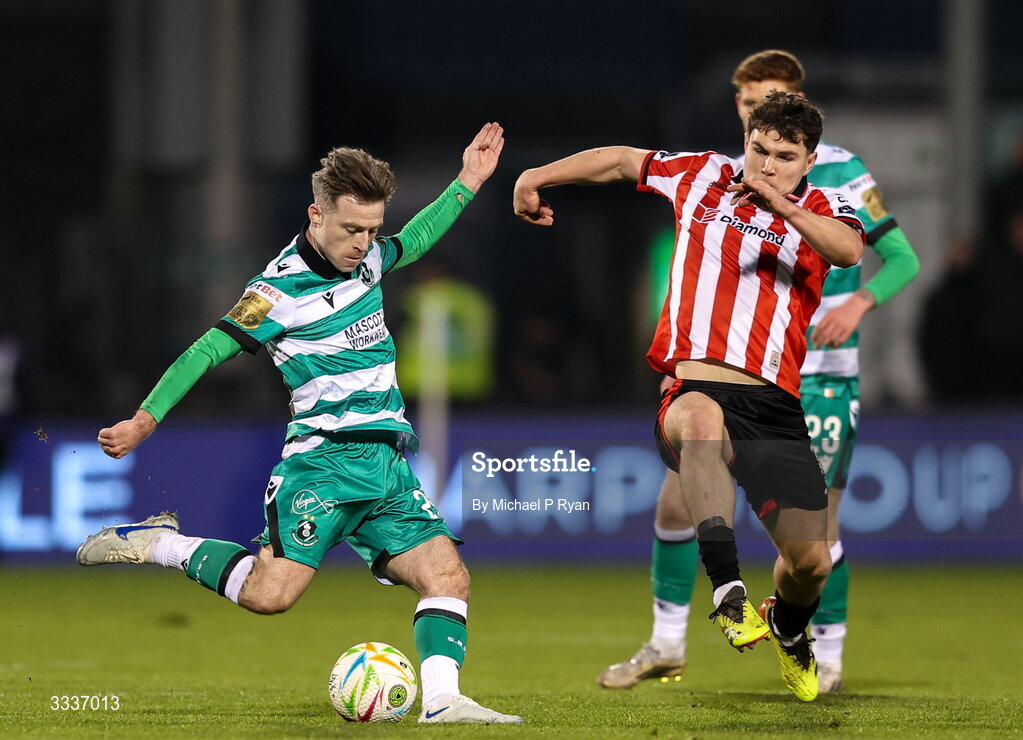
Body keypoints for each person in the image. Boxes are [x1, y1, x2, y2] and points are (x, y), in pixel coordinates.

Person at [77, 123, 523, 725]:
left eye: (371, 229)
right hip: (323, 463)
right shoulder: (275, 291)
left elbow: (412, 241)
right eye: (351, 230)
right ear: (315, 215)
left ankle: (442, 702)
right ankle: (161, 544)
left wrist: (468, 180)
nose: (364, 243)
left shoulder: (367, 261)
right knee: (270, 595)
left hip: (387, 464)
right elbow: (207, 350)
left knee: (447, 575)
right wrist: (143, 419)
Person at [514, 92, 865, 702]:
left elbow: (848, 250)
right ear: (745, 140)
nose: (767, 163)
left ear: (808, 160)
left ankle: (785, 623)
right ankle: (728, 591)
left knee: (811, 565)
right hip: (693, 385)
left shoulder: (825, 204)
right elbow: (622, 161)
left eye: (785, 156)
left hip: (774, 405)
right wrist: (536, 175)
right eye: (759, 149)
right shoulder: (702, 174)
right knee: (700, 422)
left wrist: (780, 205)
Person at [594, 50, 921, 695]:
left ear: (798, 103)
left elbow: (891, 256)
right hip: (720, 378)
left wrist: (860, 301)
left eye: (764, 101)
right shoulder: (725, 178)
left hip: (816, 377)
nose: (752, 117)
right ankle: (673, 638)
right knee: (682, 482)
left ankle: (819, 648)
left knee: (814, 544)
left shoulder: (843, 177)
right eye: (745, 108)